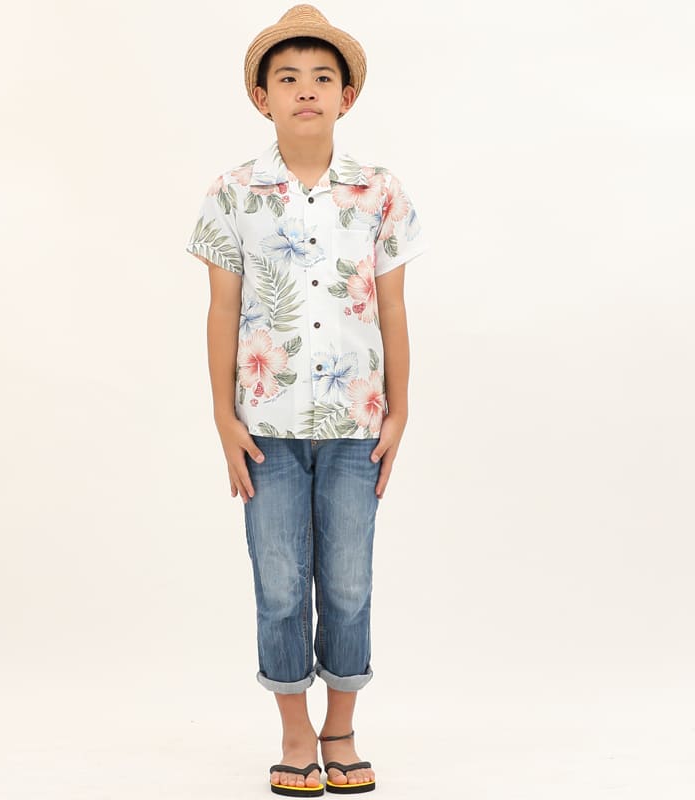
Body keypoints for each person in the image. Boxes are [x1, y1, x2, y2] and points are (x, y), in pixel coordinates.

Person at [185, 5, 425, 795]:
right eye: (287, 78)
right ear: (262, 97)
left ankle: (341, 730)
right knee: (281, 582)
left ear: (347, 95)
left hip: (357, 425)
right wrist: (223, 419)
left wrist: (399, 412)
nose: (306, 90)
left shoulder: (379, 191)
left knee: (349, 582)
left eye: (323, 77)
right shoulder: (232, 193)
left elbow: (393, 309)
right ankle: (294, 734)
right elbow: (223, 310)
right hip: (266, 428)